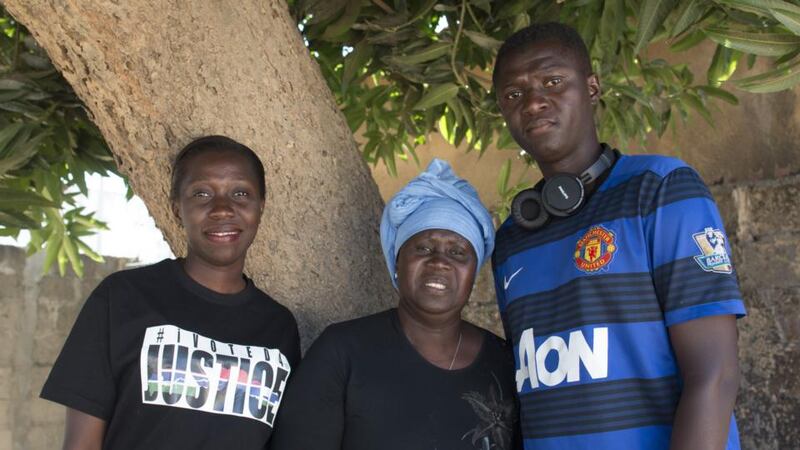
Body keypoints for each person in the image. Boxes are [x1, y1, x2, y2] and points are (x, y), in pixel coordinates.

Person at [490, 23, 746, 450]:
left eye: (552, 81)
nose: (534, 102)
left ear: (592, 88)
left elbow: (715, 376)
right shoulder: (512, 239)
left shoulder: (661, 190)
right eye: (513, 95)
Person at [40, 136, 301, 450]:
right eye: (202, 193)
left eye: (240, 193)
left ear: (261, 207)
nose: (222, 209)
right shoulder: (123, 298)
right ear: (177, 208)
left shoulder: (278, 327)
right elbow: (81, 444)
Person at [271, 159, 519, 450]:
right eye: (423, 248)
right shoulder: (342, 352)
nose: (439, 262)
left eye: (458, 252)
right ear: (397, 262)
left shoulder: (505, 363)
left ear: (473, 272)